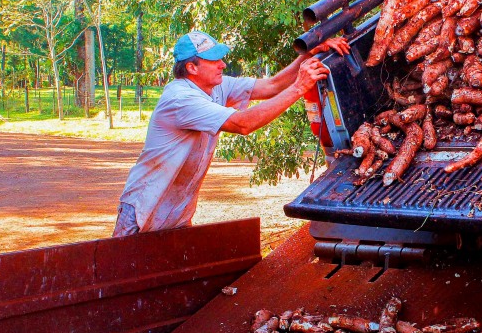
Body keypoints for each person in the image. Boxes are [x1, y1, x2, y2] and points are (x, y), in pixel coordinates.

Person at [113, 30, 349, 236]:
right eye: (213, 60)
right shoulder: (180, 99)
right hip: (144, 210)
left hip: (177, 212)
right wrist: (299, 87)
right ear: (192, 68)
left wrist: (309, 54)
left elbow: (272, 86)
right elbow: (243, 124)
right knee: (124, 272)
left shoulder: (216, 86)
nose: (223, 64)